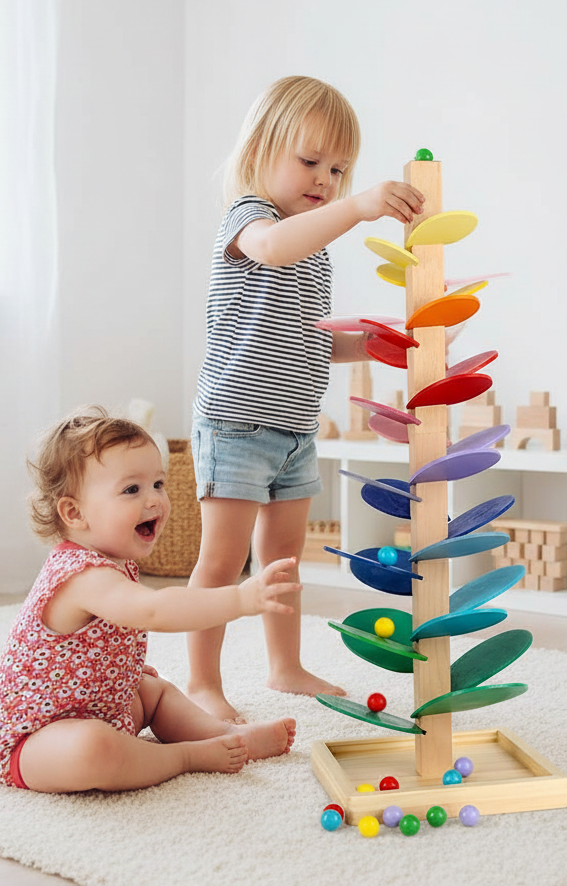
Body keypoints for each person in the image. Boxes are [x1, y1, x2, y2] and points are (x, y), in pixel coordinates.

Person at [187, 75, 426, 722]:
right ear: (261, 150)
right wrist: (359, 206)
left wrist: (379, 343)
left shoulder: (313, 251)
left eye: (340, 169)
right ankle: (203, 682)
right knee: (221, 563)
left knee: (283, 561)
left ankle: (283, 665)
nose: (326, 178)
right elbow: (270, 247)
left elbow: (312, 342)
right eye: (310, 161)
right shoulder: (251, 222)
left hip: (293, 431)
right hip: (236, 424)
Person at [0, 408, 298, 792]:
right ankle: (186, 756)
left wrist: (126, 671)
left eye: (158, 484)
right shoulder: (81, 575)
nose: (155, 500)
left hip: (102, 707)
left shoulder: (116, 563)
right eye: (132, 489)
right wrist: (241, 599)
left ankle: (226, 734)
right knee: (94, 749)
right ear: (74, 512)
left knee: (154, 690)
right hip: (35, 742)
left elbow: (95, 645)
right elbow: (153, 610)